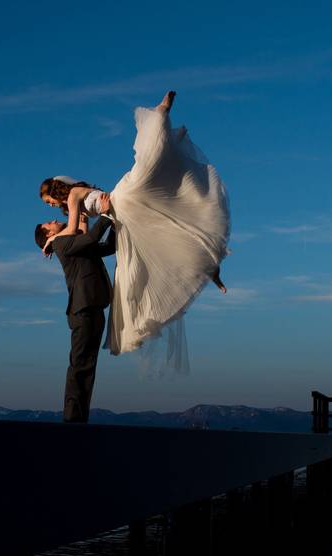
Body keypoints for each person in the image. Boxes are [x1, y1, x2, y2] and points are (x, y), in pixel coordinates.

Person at [38, 90, 230, 369]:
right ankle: (210, 268)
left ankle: (161, 115)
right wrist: (66, 234)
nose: (50, 205)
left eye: (48, 200)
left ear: (55, 191)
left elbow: (72, 230)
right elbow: (82, 232)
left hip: (121, 202)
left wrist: (52, 241)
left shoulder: (73, 196)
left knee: (149, 169)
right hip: (118, 213)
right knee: (166, 233)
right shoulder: (75, 196)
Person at [34, 213, 116, 423]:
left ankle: (79, 418)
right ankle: (72, 420)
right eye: (49, 224)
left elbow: (107, 247)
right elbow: (92, 237)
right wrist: (107, 213)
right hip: (83, 310)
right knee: (80, 367)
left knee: (88, 367)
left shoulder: (71, 242)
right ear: (50, 234)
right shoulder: (62, 243)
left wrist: (115, 224)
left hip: (93, 309)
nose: (53, 220)